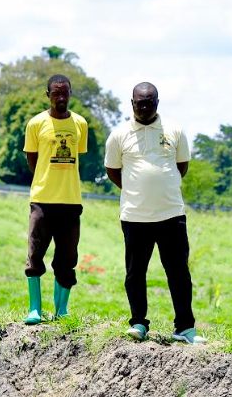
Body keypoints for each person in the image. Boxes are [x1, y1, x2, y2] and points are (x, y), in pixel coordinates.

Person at [104, 82, 206, 344]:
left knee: (179, 273)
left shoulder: (174, 131)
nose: (145, 107)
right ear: (132, 104)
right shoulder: (118, 135)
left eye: (150, 103)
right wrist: (139, 189)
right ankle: (139, 322)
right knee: (135, 273)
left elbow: (181, 166)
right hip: (135, 216)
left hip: (171, 214)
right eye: (140, 103)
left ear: (157, 103)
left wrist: (161, 185)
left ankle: (184, 327)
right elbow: (113, 171)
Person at [22, 74, 88, 325]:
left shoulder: (80, 124)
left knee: (68, 257)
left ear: (71, 93)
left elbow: (77, 156)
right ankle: (35, 309)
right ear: (47, 95)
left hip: (71, 201)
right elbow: (33, 160)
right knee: (35, 252)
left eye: (65, 93)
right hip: (42, 200)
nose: (61, 97)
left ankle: (61, 310)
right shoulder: (36, 124)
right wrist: (44, 179)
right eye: (56, 93)